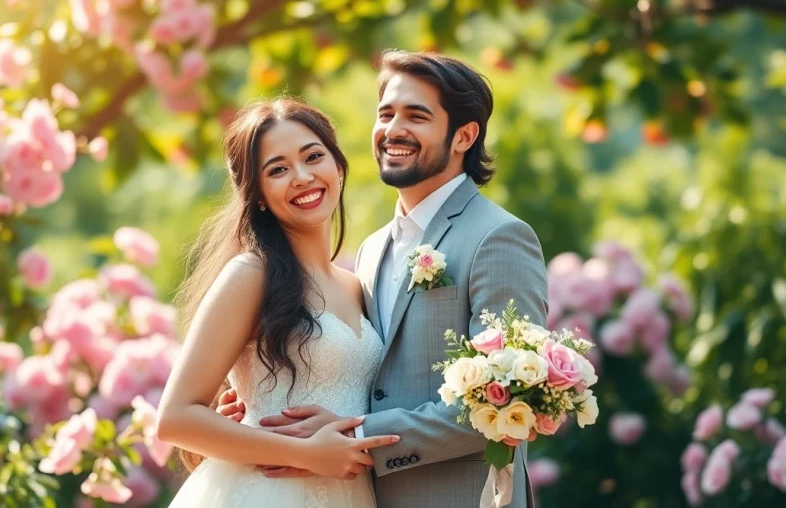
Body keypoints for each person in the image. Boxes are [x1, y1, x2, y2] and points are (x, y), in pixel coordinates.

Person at [220, 51, 549, 508]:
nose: (394, 130)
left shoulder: (499, 237)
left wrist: (357, 436)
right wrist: (255, 409)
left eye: (416, 115)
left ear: (464, 136)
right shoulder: (373, 250)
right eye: (386, 113)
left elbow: (511, 403)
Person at [154, 98, 400, 508]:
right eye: (278, 169)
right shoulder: (252, 274)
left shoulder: (358, 285)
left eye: (313, 157)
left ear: (338, 167)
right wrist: (304, 453)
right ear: (260, 195)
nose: (302, 177)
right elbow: (175, 418)